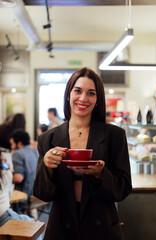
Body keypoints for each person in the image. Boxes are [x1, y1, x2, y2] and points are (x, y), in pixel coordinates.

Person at [33, 67, 132, 240]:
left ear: (98, 100)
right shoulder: (48, 139)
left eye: (91, 93)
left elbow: (123, 188)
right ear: (68, 95)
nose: (83, 98)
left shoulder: (115, 136)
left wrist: (101, 174)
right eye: (78, 91)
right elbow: (43, 194)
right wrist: (47, 167)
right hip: (61, 227)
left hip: (102, 227)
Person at [0, 153, 42, 240]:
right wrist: (4, 165)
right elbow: (18, 179)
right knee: (33, 223)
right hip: (34, 198)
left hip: (27, 200)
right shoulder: (33, 152)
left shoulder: (19, 154)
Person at [9, 129, 39, 211]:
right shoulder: (35, 151)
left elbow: (19, 178)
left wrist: (5, 176)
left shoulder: (17, 154)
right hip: (37, 196)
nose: (11, 147)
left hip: (24, 197)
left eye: (12, 144)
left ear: (19, 143)